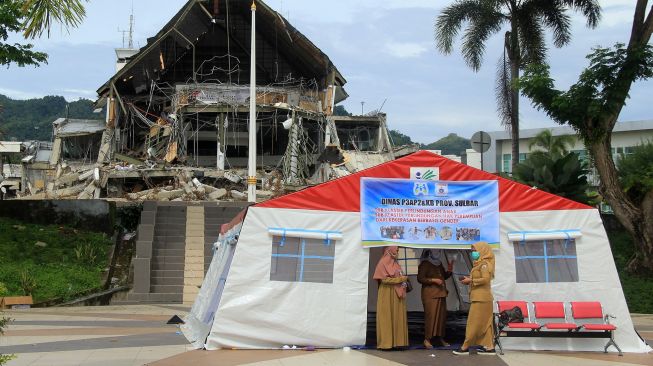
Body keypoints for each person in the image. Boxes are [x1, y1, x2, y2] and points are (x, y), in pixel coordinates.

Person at [454, 241, 496, 356]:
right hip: (481, 298)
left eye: (475, 250)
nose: (473, 253)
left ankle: (465, 346)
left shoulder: (484, 264)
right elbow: (482, 278)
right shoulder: (479, 264)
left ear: (482, 250)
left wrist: (471, 281)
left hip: (481, 299)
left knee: (473, 323)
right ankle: (490, 347)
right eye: (472, 251)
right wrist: (469, 280)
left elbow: (486, 279)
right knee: (485, 323)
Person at [373, 246, 409, 350]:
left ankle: (397, 343)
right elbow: (383, 280)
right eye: (396, 249)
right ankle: (386, 343)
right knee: (386, 317)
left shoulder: (395, 263)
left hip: (397, 294)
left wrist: (402, 280)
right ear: (390, 249)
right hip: (386, 293)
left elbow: (399, 275)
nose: (397, 251)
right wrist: (400, 279)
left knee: (397, 316)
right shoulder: (382, 262)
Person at [417, 249, 453, 349]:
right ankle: (427, 339)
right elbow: (420, 278)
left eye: (439, 252)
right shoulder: (425, 264)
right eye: (436, 251)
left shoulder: (439, 263)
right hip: (430, 295)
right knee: (431, 317)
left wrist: (449, 271)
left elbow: (443, 276)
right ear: (430, 252)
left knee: (441, 318)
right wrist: (433, 280)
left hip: (441, 293)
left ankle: (440, 338)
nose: (438, 253)